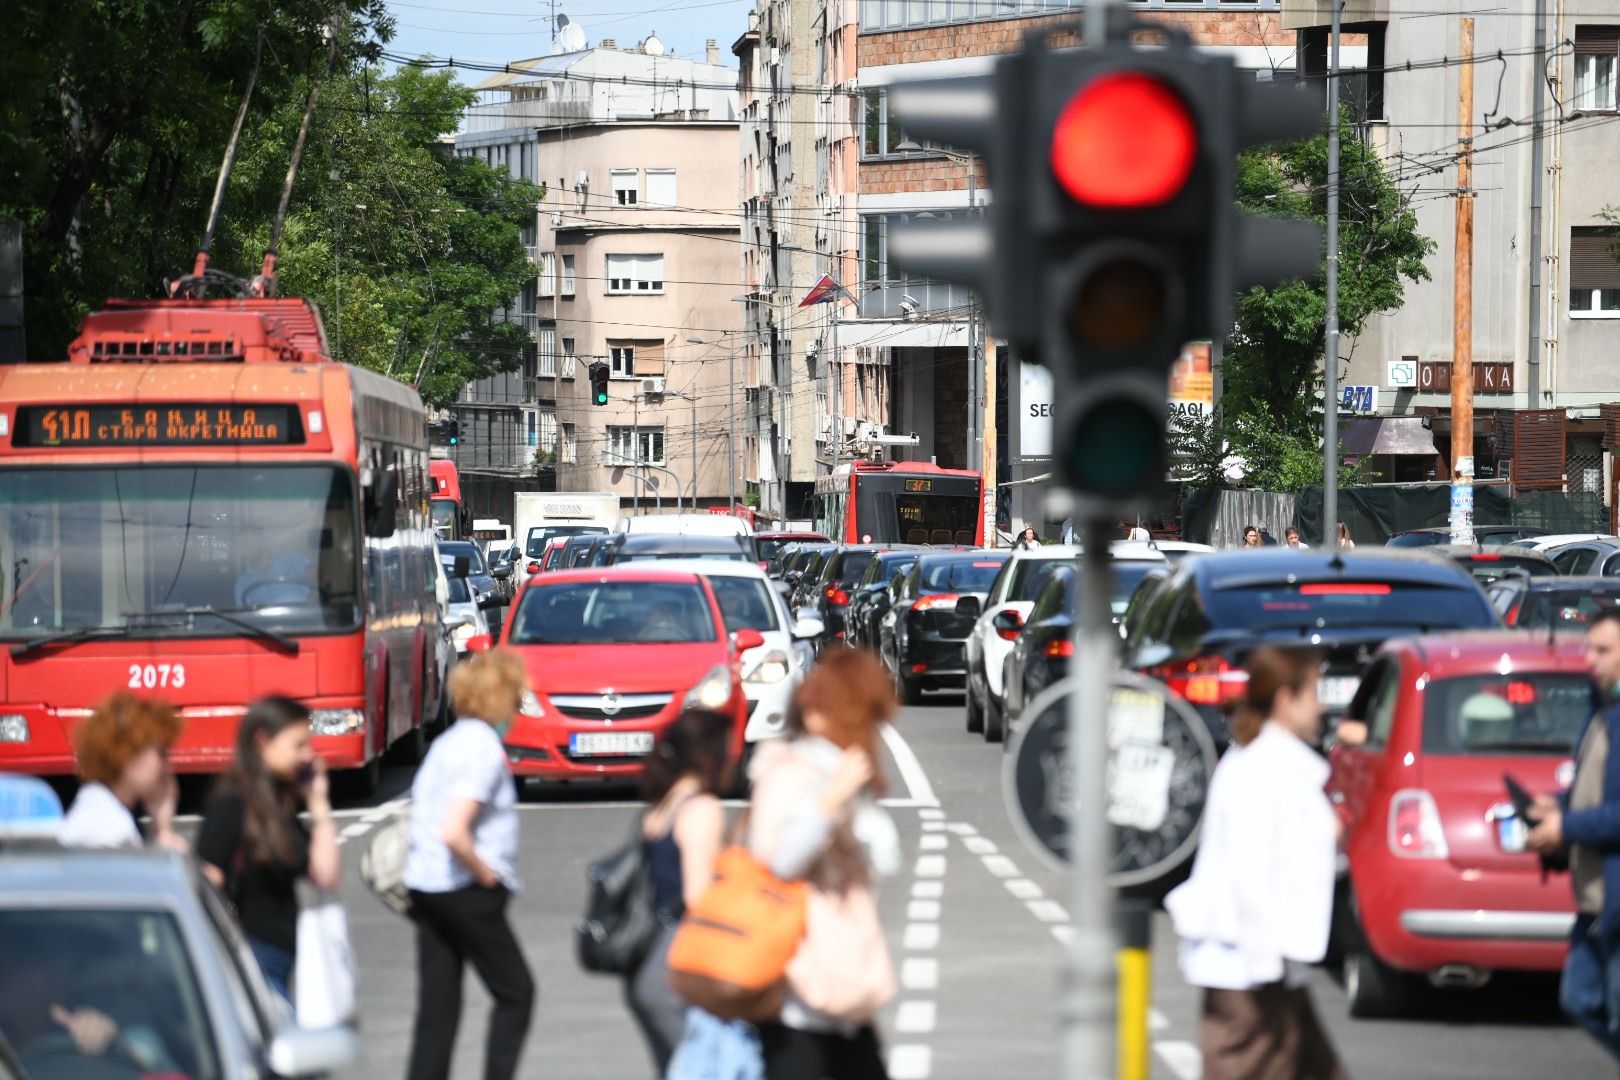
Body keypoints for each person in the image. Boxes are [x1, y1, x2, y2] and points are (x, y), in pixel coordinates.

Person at [1163, 646, 1344, 1080]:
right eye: (1313, 693)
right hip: (1250, 968)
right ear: (1285, 700)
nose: (1323, 704)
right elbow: (1251, 873)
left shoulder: (1280, 764)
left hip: (1269, 968)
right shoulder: (1263, 770)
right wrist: (1267, 968)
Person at [748, 645, 898, 1080]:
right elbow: (778, 864)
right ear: (815, 714)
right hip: (794, 991)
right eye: (857, 717)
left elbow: (884, 856)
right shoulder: (787, 772)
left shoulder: (839, 772)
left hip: (839, 985)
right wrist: (830, 803)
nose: (865, 732)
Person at [403, 648, 535, 1080]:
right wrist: (487, 876)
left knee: (438, 1006)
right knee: (516, 992)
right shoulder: (482, 749)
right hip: (463, 889)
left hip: (426, 885)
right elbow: (455, 830)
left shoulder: (449, 742)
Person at [197, 697, 341, 1004]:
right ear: (262, 741)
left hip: (281, 958)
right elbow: (206, 880)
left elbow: (325, 874)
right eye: (298, 745)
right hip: (250, 957)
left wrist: (319, 803)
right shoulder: (230, 804)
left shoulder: (278, 805)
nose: (308, 755)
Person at [1528, 607, 1620, 1060]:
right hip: (1596, 899)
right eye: (1589, 648)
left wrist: (1566, 825)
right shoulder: (1600, 705)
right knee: (1580, 999)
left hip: (1615, 900)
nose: (1591, 659)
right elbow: (1596, 789)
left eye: (1603, 650)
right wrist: (1557, 806)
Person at [627, 710, 732, 1074]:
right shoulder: (702, 809)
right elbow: (698, 896)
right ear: (707, 756)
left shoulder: (663, 805)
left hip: (647, 965)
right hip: (679, 968)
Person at [59, 691, 186, 852]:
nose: (168, 767)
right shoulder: (109, 830)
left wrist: (162, 825)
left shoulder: (100, 806)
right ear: (125, 754)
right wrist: (165, 836)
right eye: (161, 754)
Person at [234, 532, 316, 607]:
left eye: (246, 543)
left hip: (302, 619)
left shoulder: (292, 560)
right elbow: (243, 615)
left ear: (261, 540)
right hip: (259, 623)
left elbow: (322, 580)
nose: (243, 550)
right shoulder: (242, 583)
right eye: (240, 546)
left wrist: (309, 604)